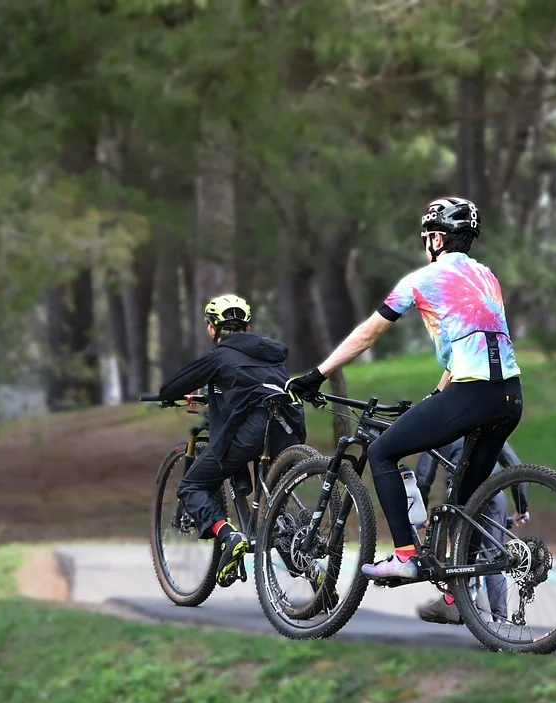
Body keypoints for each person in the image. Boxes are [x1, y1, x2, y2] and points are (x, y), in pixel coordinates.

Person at [286, 196, 522, 580]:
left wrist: (318, 373)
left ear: (437, 239)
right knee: (467, 500)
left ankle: (405, 556)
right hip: (510, 396)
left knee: (381, 452)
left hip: (473, 394)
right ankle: (457, 593)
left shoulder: (423, 279)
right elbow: (471, 346)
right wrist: (438, 396)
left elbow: (368, 333)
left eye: (428, 237)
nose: (426, 243)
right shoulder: (486, 277)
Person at [158, 294, 305, 586]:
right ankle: (311, 571)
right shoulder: (272, 353)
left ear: (213, 328)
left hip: (252, 429)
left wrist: (173, 395)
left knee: (191, 486)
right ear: (247, 327)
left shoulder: (219, 356)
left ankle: (228, 535)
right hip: (288, 427)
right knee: (272, 499)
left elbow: (169, 388)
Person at [413, 437, 529, 625]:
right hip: (492, 492)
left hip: (462, 495)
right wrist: (522, 507)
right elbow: (515, 466)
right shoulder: (488, 427)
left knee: (460, 557)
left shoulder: (440, 430)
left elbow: (424, 476)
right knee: (494, 559)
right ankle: (501, 621)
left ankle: (453, 604)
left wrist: (421, 513)